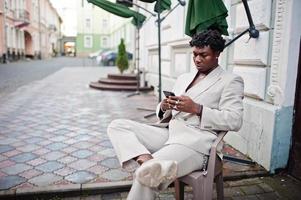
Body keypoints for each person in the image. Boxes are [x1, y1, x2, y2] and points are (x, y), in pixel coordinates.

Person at [107, 30, 244, 199]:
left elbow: (235, 120)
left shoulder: (230, 80)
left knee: (147, 174)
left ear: (217, 54)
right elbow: (169, 110)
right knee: (117, 125)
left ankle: (150, 167)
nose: (197, 59)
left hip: (196, 143)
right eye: (194, 54)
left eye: (203, 55)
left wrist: (198, 109)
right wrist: (164, 106)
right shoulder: (184, 77)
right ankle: (146, 158)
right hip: (170, 133)